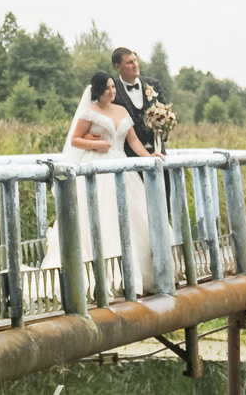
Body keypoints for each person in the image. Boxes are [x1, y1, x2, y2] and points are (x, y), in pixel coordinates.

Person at [52, 71, 163, 295]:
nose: (112, 91)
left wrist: (149, 157)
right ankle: (107, 275)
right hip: (98, 168)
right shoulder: (89, 112)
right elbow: (75, 140)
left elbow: (133, 140)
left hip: (121, 166)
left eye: (113, 87)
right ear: (98, 91)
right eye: (107, 88)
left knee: (135, 215)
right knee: (104, 216)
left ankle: (140, 273)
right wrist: (95, 145)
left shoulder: (122, 111)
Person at [112, 47, 168, 154]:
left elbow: (165, 113)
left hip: (158, 151)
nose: (135, 65)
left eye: (135, 60)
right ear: (117, 66)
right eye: (129, 62)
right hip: (128, 155)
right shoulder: (113, 91)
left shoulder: (153, 84)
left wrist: (164, 131)